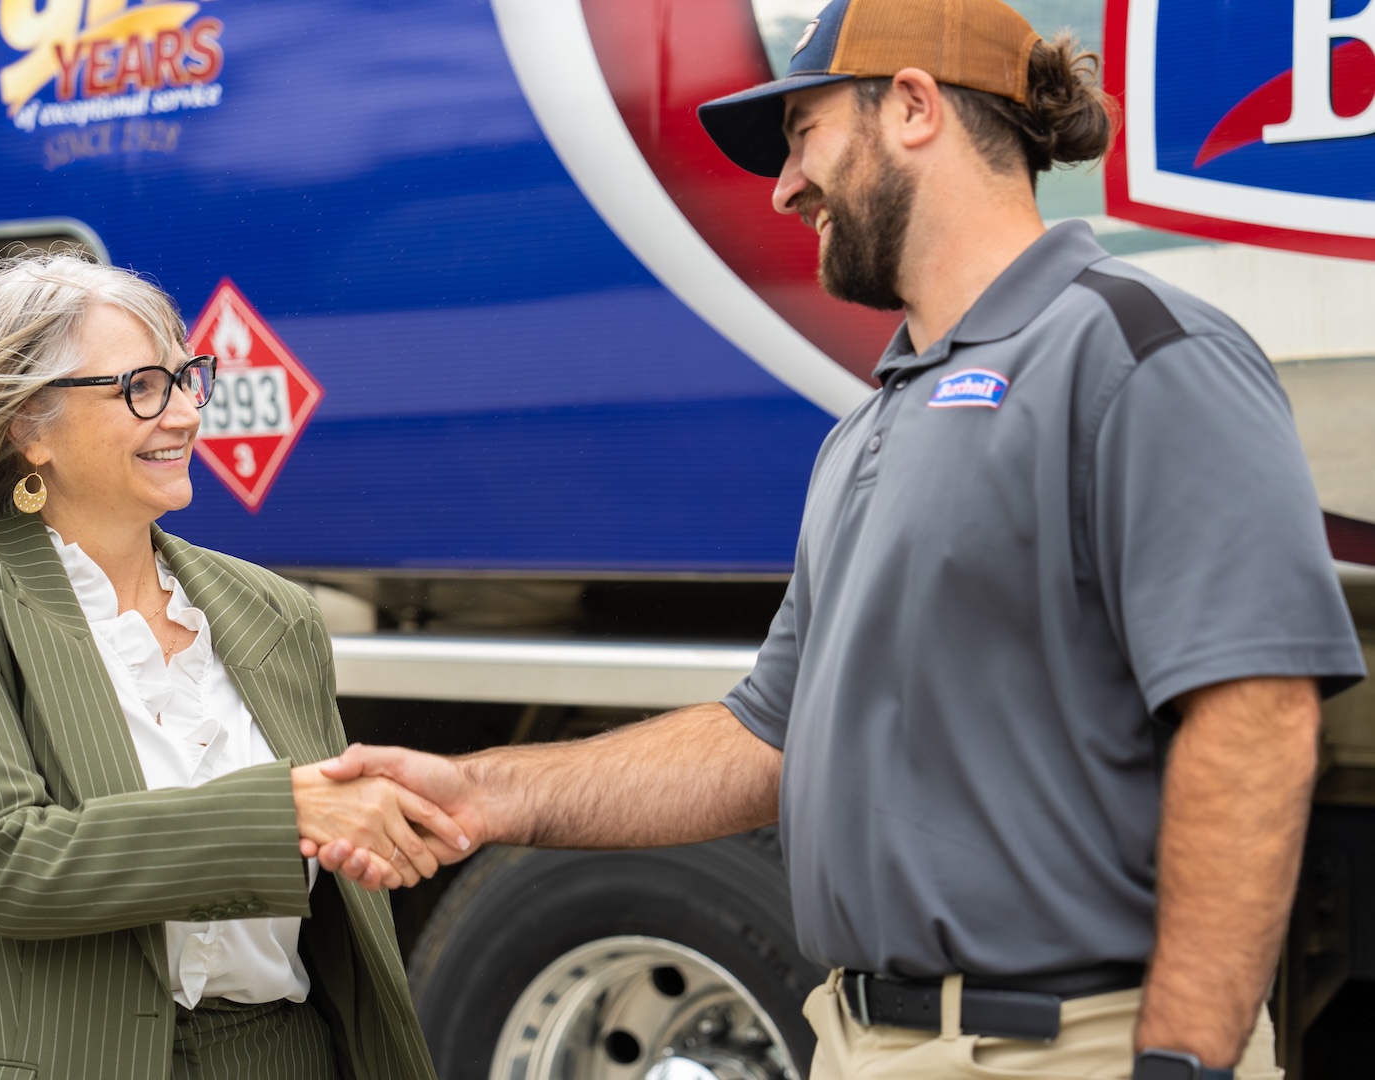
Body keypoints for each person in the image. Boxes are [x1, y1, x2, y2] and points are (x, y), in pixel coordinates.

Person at [314, 0, 1367, 1077]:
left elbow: (1256, 719)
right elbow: (767, 738)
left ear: (912, 106)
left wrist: (1184, 1060)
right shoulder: (869, 426)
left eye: (804, 132)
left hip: (1068, 1048)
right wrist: (485, 794)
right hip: (861, 1043)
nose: (785, 186)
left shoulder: (1141, 352)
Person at [0, 253, 465, 1080]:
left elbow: (336, 901)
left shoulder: (275, 611)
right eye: (141, 387)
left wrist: (381, 832)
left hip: (277, 1058)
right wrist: (289, 814)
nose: (182, 414)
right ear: (29, 425)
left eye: (185, 379)